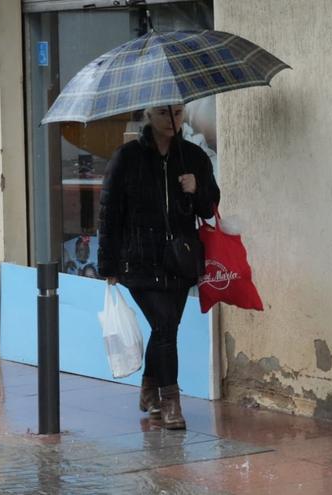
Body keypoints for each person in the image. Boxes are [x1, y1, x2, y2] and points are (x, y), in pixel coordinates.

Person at [97, 104, 220, 430]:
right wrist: (108, 262)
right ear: (148, 116)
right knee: (165, 326)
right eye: (165, 114)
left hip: (179, 260)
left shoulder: (193, 157)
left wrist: (197, 189)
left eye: (178, 113)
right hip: (138, 260)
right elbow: (110, 213)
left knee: (165, 328)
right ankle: (170, 402)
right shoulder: (127, 158)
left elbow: (209, 207)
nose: (173, 120)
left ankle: (149, 389)